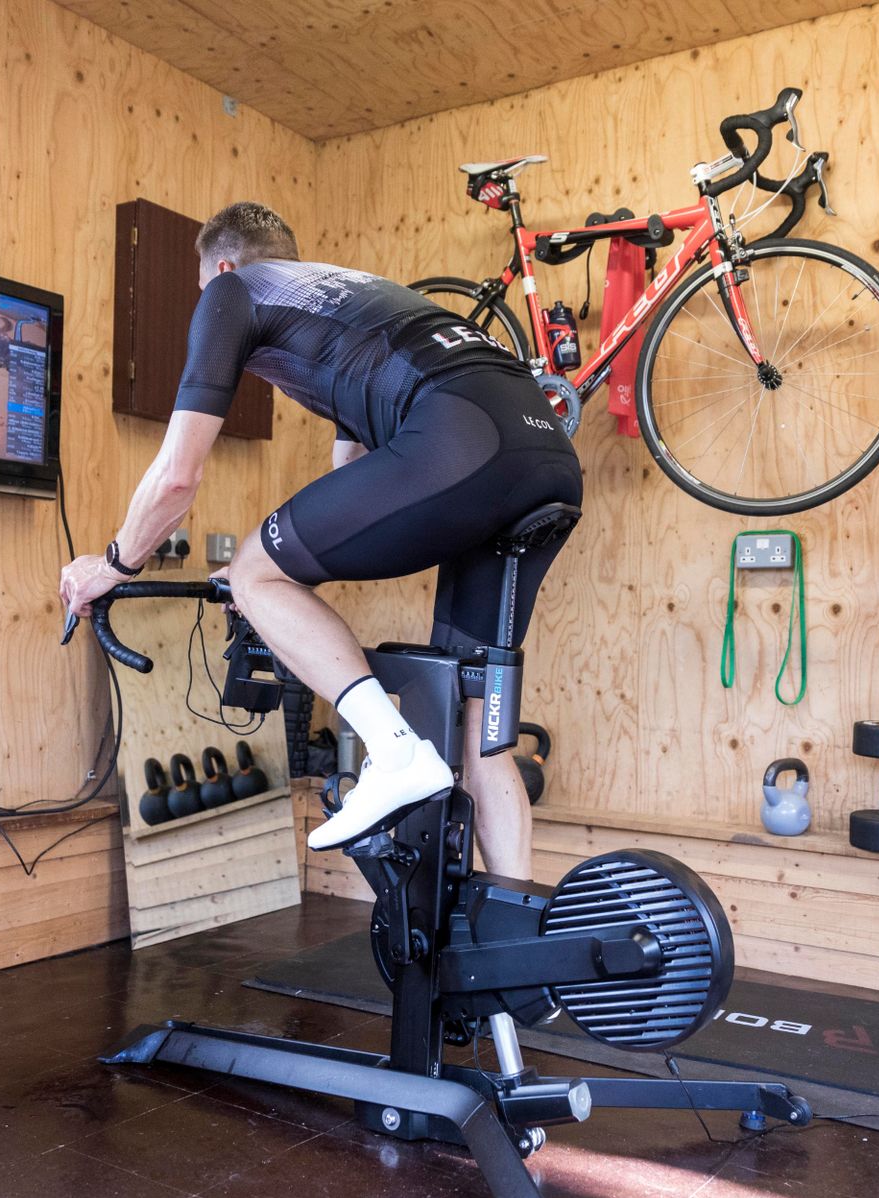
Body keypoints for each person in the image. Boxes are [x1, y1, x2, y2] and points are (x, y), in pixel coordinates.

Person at [59, 202, 580, 876]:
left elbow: (176, 479)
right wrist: (284, 583)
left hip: (462, 439)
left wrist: (114, 565)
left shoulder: (231, 290)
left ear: (222, 264)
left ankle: (395, 755)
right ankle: (518, 935)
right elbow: (357, 485)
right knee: (483, 727)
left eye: (201, 283)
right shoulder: (352, 297)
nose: (204, 297)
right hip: (548, 464)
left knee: (255, 571)